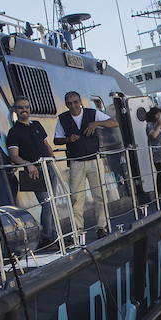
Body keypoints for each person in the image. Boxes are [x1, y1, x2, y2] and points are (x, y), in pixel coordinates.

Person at [54, 91, 119, 239]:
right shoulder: (63, 119)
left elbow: (114, 123)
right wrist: (68, 139)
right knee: (77, 198)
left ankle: (102, 226)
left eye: (75, 102)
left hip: (94, 159)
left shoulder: (92, 113)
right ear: (66, 105)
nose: (73, 106)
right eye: (69, 103)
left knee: (99, 195)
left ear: (80, 101)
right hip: (76, 162)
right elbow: (56, 140)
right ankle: (78, 230)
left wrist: (97, 123)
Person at [4, 97, 57, 248]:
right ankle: (48, 238)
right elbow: (14, 155)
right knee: (46, 204)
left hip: (49, 168)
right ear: (15, 110)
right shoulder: (13, 132)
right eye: (20, 107)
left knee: (52, 203)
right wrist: (28, 165)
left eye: (26, 107)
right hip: (32, 172)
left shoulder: (37, 125)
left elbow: (46, 145)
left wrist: (52, 159)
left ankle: (54, 235)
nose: (24, 110)